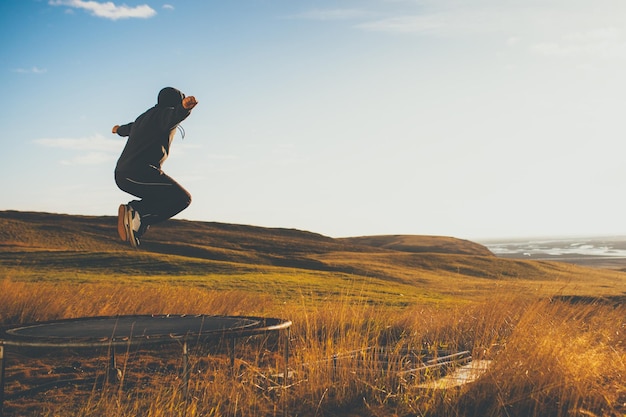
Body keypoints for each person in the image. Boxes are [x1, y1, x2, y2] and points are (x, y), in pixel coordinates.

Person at [112, 87, 198, 247]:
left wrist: (118, 130)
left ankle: (137, 221)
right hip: (139, 172)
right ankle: (138, 214)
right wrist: (184, 108)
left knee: (161, 197)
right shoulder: (164, 115)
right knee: (182, 199)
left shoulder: (143, 118)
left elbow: (128, 128)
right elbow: (174, 115)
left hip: (123, 174)